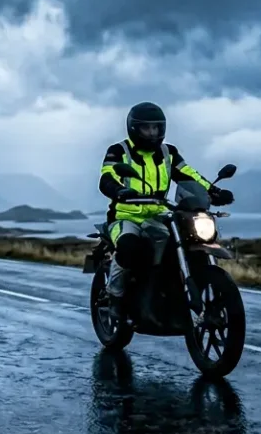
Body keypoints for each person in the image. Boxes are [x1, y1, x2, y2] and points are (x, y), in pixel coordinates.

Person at [97, 102, 234, 312]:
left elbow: (189, 174)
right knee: (129, 246)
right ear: (134, 128)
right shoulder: (118, 151)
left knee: (188, 238)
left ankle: (173, 288)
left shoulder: (168, 152)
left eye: (156, 128)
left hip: (159, 214)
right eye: (146, 128)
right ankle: (113, 295)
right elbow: (108, 176)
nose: (152, 133)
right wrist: (118, 190)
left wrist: (213, 191)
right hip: (125, 216)